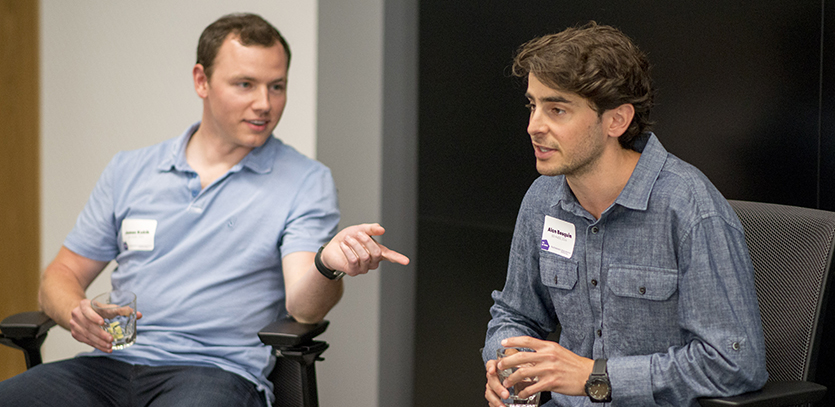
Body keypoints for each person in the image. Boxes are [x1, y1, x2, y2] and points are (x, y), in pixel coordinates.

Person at [0, 12, 408, 407]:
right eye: (245, 84)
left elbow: (304, 306)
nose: (264, 103)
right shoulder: (130, 169)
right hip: (108, 364)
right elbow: (60, 274)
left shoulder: (305, 181)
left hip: (214, 372)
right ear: (202, 80)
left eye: (277, 86)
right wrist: (77, 310)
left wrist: (326, 263)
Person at [482, 22, 767, 406]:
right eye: (533, 105)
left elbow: (734, 364)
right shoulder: (543, 199)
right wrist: (507, 364)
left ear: (616, 120)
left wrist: (596, 377)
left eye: (557, 109)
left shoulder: (689, 208)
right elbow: (515, 314)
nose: (534, 126)